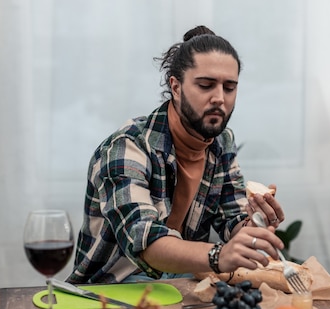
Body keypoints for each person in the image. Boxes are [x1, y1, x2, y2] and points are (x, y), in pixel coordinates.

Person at [67, 25, 286, 284]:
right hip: (109, 292)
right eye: (206, 85)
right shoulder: (127, 147)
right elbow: (146, 242)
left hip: (180, 284)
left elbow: (234, 222)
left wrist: (257, 223)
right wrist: (218, 255)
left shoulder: (222, 143)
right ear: (176, 86)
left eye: (229, 88)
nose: (219, 98)